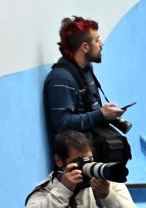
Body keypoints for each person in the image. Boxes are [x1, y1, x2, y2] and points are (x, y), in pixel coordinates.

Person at [43, 16, 127, 148]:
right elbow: (62, 124)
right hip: (78, 153)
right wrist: (100, 114)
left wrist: (106, 114)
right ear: (85, 47)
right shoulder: (61, 79)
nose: (101, 43)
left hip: (92, 142)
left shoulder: (86, 68)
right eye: (97, 39)